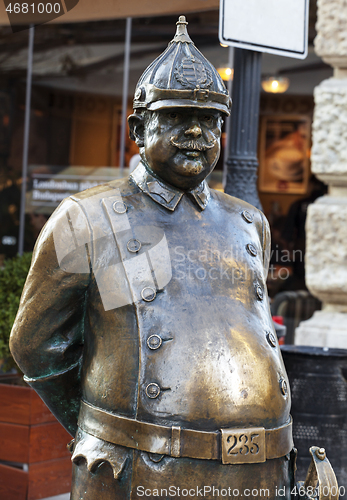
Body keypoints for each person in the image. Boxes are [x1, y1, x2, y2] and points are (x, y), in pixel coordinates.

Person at [10, 17, 295, 500]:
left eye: (210, 122)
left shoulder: (247, 221)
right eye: (178, 117)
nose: (196, 133)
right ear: (139, 128)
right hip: (141, 472)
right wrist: (105, 431)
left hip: (262, 472)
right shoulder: (92, 217)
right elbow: (38, 347)